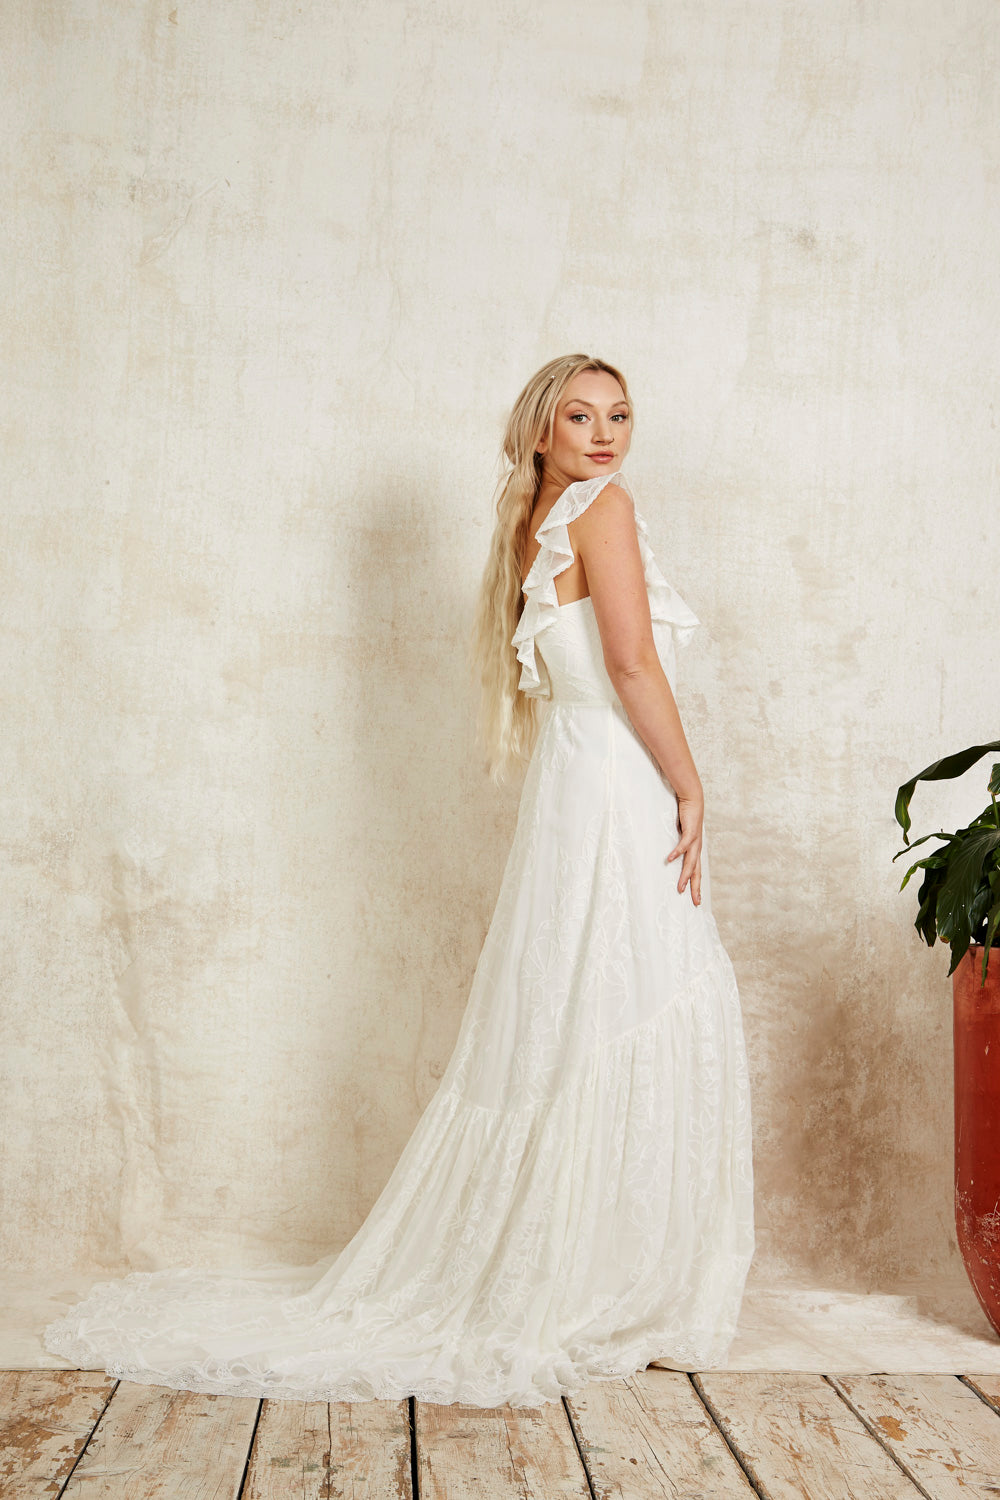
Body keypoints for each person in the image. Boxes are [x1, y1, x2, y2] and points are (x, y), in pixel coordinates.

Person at [43, 352, 754, 1407]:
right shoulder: (601, 508)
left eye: (620, 415)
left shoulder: (531, 521)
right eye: (580, 416)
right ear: (541, 431)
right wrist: (693, 787)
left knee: (574, 1013)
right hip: (614, 783)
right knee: (630, 995)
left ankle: (589, 1265)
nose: (605, 435)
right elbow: (635, 667)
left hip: (571, 786)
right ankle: (612, 1276)